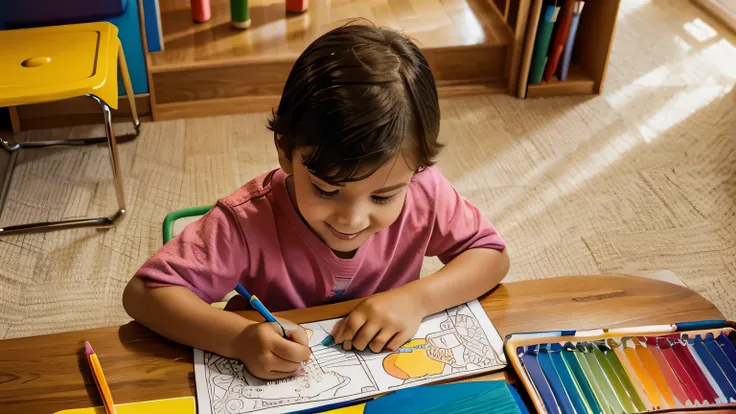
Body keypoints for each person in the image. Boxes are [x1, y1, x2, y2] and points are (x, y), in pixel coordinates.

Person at [123, 23, 509, 380]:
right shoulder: (247, 221)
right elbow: (143, 296)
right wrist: (239, 338)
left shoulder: (425, 190)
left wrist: (418, 299)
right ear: (285, 151)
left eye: (383, 196)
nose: (353, 219)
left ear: (418, 169)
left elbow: (491, 255)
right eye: (327, 190)